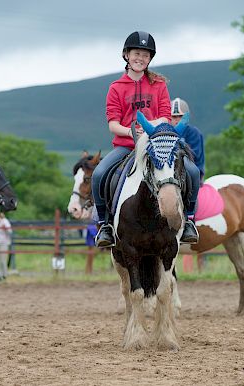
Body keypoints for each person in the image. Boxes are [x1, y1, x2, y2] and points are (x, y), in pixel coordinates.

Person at [92, 31, 199, 248]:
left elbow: (166, 116)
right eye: (136, 53)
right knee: (99, 174)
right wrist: (131, 132)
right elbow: (113, 124)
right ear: (126, 55)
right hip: (127, 146)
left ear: (150, 59)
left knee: (193, 172)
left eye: (145, 55)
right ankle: (105, 225)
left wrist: (152, 131)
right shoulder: (116, 88)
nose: (140, 58)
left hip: (157, 145)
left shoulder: (158, 84)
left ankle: (188, 220)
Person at [170, 97, 205, 236]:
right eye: (173, 116)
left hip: (190, 166)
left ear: (186, 117)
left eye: (180, 116)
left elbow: (194, 155)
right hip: (172, 169)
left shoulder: (193, 132)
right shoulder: (167, 132)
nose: (177, 120)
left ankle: (190, 220)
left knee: (191, 176)